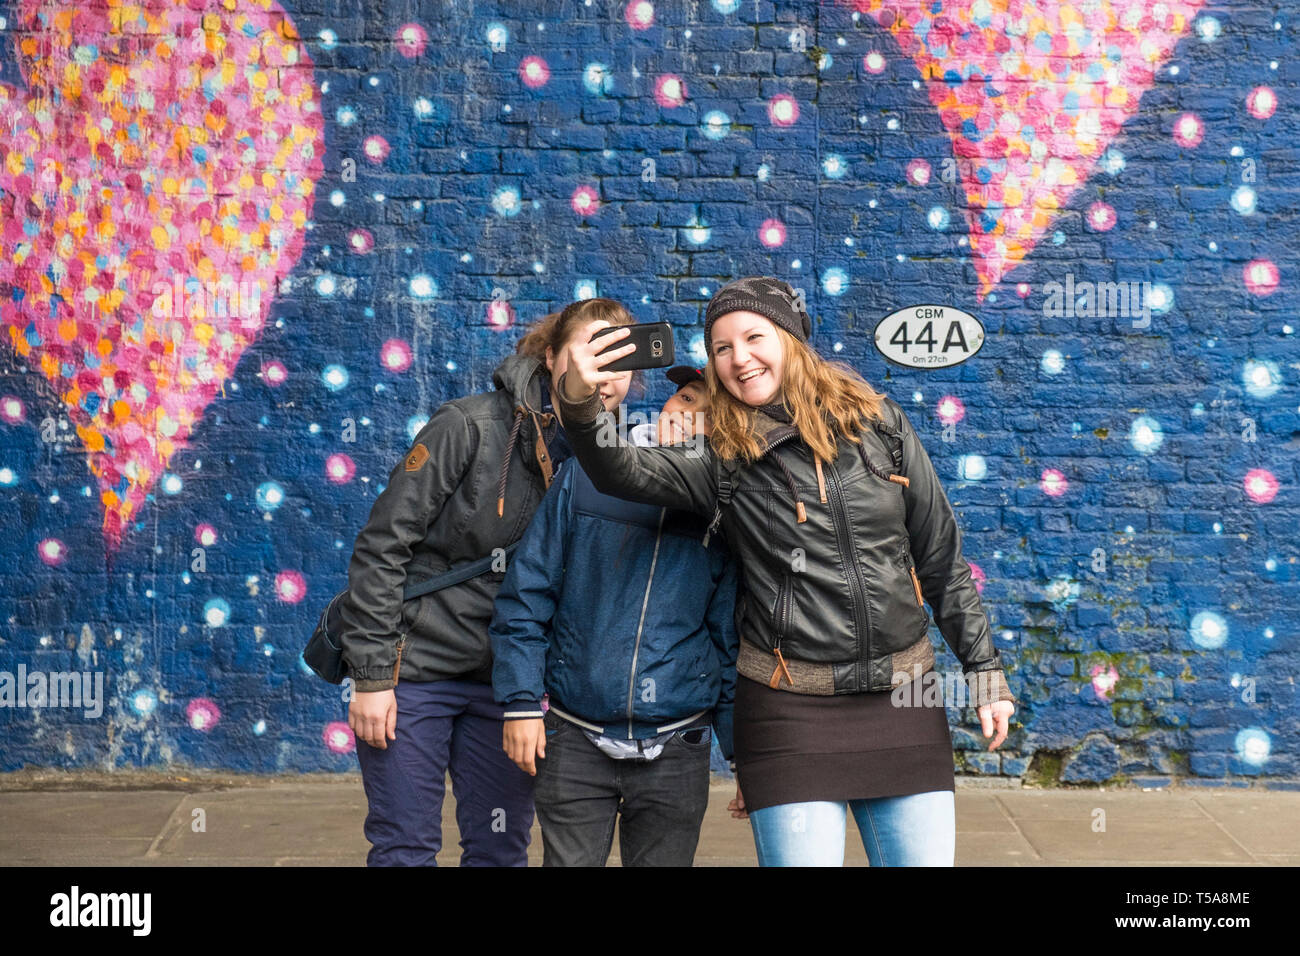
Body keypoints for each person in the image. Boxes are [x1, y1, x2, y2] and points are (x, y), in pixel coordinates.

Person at [550, 276, 1018, 867]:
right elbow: (617, 469)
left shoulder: (880, 425)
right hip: (787, 707)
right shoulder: (717, 455)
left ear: (791, 338)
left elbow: (942, 561)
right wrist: (577, 396)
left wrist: (984, 673)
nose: (738, 358)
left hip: (905, 697)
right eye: (721, 348)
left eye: (753, 336)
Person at [339, 297, 639, 866]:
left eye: (619, 363)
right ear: (551, 357)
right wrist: (373, 677)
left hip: (511, 686)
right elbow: (383, 545)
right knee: (406, 846)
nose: (605, 375)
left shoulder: (617, 455)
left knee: (499, 848)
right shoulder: (468, 425)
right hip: (416, 670)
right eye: (590, 353)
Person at [490, 365, 737, 867]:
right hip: (574, 732)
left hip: (678, 741)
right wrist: (519, 701)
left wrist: (738, 751)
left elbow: (729, 635)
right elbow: (527, 594)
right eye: (685, 398)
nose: (686, 416)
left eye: (708, 415)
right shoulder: (585, 473)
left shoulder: (723, 508)